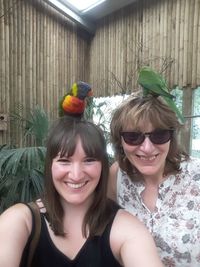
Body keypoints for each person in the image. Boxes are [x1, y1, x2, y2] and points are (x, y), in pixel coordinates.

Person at [0, 115, 163, 267]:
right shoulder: (19, 221)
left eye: (89, 160)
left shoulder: (126, 228)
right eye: (64, 161)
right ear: (50, 166)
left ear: (103, 166)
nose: (76, 175)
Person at [108, 94, 200, 266]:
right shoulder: (117, 175)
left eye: (159, 135)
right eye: (133, 137)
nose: (147, 148)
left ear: (172, 137)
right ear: (120, 141)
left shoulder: (196, 174)